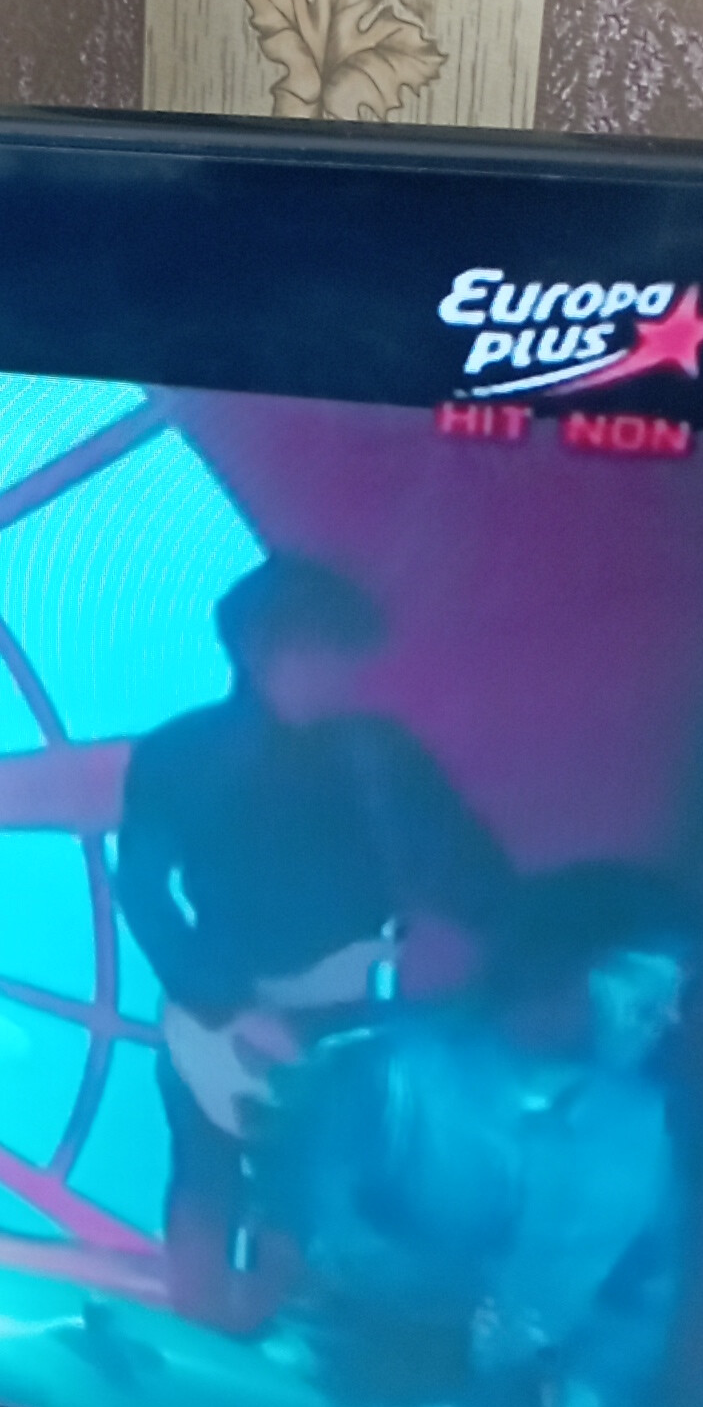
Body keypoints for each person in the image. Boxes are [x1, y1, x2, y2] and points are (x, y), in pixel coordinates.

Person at [116, 554, 510, 1332]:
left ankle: (268, 1349)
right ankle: (189, 1339)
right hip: (216, 1011)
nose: (332, 674)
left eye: (342, 654)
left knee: (305, 1190)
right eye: (312, 651)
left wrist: (517, 941)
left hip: (340, 1015)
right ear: (254, 650)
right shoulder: (176, 752)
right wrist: (227, 1004)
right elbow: (143, 891)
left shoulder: (383, 758)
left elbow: (467, 875)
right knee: (203, 1177)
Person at [279, 864, 699, 1407]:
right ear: (558, 963)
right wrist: (441, 1320)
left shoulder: (647, 1132)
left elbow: (644, 1296)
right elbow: (316, 1231)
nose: (667, 1014)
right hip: (338, 1399)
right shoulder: (389, 1072)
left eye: (679, 991)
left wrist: (576, 1391)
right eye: (644, 981)